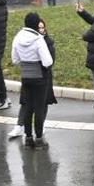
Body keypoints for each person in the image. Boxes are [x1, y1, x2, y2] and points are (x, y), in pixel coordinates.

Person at [10, 13, 54, 148]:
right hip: (40, 77)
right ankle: (39, 138)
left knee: (28, 107)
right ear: (36, 25)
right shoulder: (38, 39)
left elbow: (15, 59)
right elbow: (47, 61)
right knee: (39, 108)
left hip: (25, 76)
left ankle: (28, 138)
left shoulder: (17, 37)